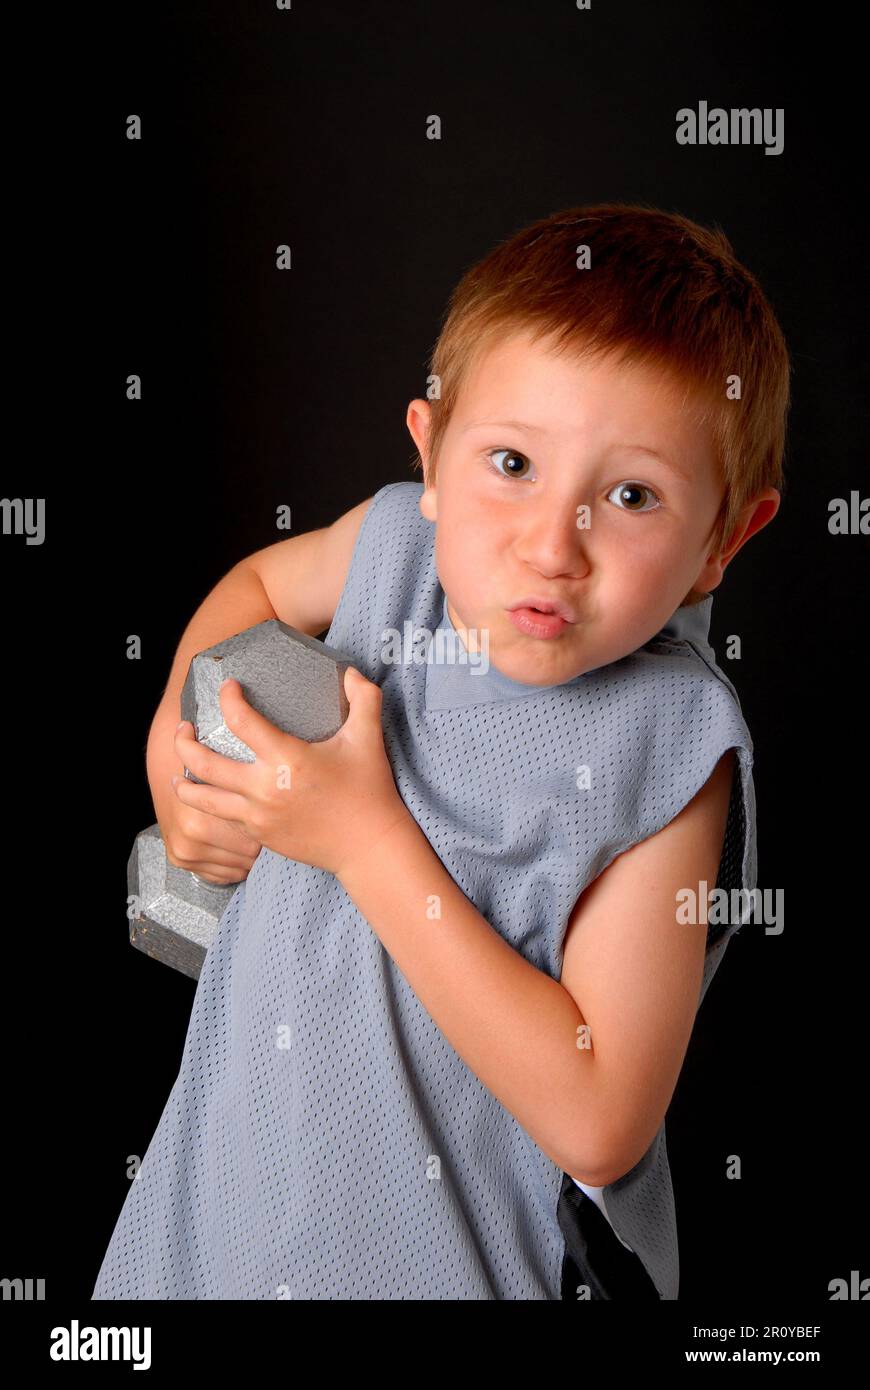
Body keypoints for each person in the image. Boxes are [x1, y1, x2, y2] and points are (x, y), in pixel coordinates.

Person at [92, 202, 789, 1300]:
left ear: (724, 540)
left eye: (631, 495)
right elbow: (257, 590)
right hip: (215, 1226)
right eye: (511, 461)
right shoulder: (394, 550)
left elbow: (601, 1117)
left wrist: (365, 843)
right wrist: (172, 751)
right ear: (431, 448)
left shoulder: (672, 748)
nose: (550, 546)